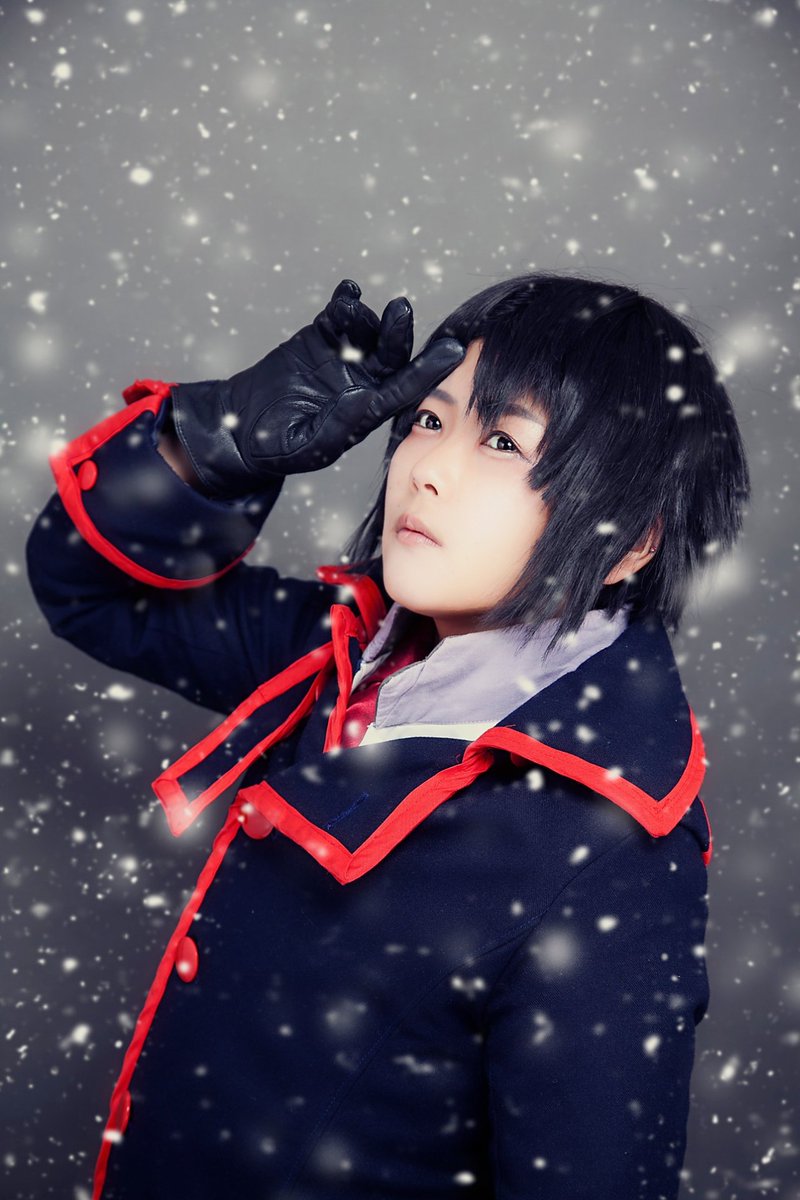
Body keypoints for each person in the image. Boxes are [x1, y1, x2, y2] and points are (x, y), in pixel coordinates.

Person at [25, 272, 750, 1199]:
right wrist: (214, 442)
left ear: (631, 541)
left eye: (502, 440)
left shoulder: (612, 853)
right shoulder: (337, 649)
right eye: (431, 419)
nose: (428, 467)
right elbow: (87, 591)